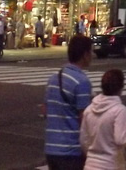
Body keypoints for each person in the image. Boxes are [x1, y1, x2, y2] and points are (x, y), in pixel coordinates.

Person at [45, 35, 94, 169]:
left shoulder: (54, 79)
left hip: (51, 148)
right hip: (71, 151)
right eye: (91, 51)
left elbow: (46, 111)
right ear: (85, 54)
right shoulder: (82, 82)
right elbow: (85, 119)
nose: (93, 55)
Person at [80, 69, 126, 169]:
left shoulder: (89, 109)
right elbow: (121, 140)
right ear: (121, 87)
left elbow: (84, 140)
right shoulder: (119, 110)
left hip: (90, 165)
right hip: (110, 164)